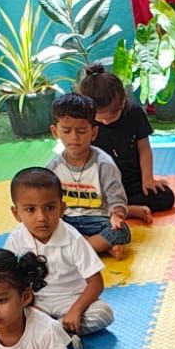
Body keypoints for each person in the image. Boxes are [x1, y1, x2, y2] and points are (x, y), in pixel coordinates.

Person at [5, 166, 113, 342]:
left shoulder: (73, 238)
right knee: (6, 314)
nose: (41, 217)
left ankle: (52, 333)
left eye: (49, 207)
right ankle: (63, 335)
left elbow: (96, 283)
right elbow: (10, 281)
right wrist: (28, 303)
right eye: (30, 209)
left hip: (71, 301)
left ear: (62, 208)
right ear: (16, 213)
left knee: (104, 313)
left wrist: (76, 310)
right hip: (36, 304)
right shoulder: (15, 240)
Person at [79, 62, 175, 216]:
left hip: (132, 183)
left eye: (112, 115)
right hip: (103, 186)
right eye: (100, 118)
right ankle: (128, 209)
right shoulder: (85, 123)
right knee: (79, 202)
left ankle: (119, 208)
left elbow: (144, 149)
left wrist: (148, 179)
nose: (106, 122)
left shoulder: (134, 113)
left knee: (166, 197)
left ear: (123, 100)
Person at [47, 91, 131, 258]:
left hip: (98, 220)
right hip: (68, 221)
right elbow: (48, 201)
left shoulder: (104, 164)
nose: (74, 137)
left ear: (94, 132)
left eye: (81, 131)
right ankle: (100, 246)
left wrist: (117, 216)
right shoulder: (53, 168)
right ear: (55, 131)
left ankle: (77, 249)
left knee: (121, 231)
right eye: (66, 131)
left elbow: (116, 197)